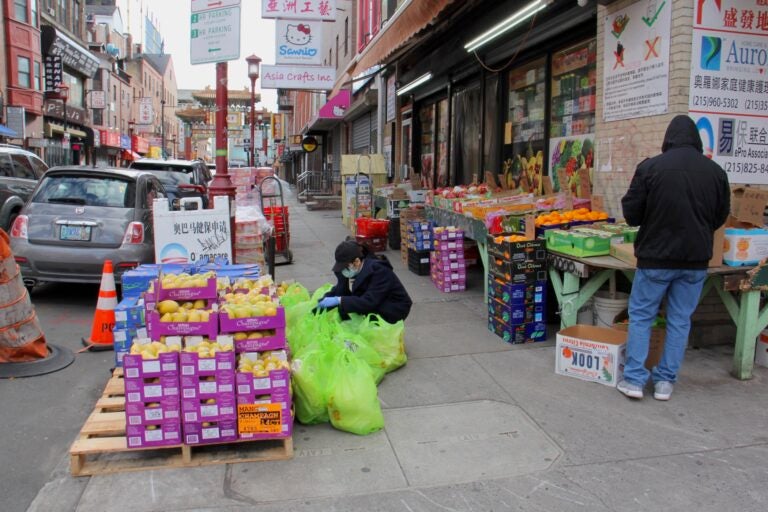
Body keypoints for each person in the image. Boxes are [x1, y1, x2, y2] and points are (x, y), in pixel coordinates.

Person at [617, 114, 730, 401]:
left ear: (667, 139)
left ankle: (633, 380)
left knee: (642, 316)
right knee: (680, 320)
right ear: (696, 140)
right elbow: (719, 216)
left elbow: (631, 214)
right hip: (695, 261)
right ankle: (665, 383)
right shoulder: (716, 172)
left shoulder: (651, 167)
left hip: (655, 258)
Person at [317, 240, 413, 323]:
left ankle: (377, 332)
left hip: (394, 307)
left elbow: (369, 301)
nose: (343, 271)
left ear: (356, 262)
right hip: (376, 300)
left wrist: (339, 300)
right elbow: (341, 289)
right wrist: (325, 300)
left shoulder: (379, 271)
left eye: (344, 267)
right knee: (347, 304)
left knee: (357, 306)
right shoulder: (352, 268)